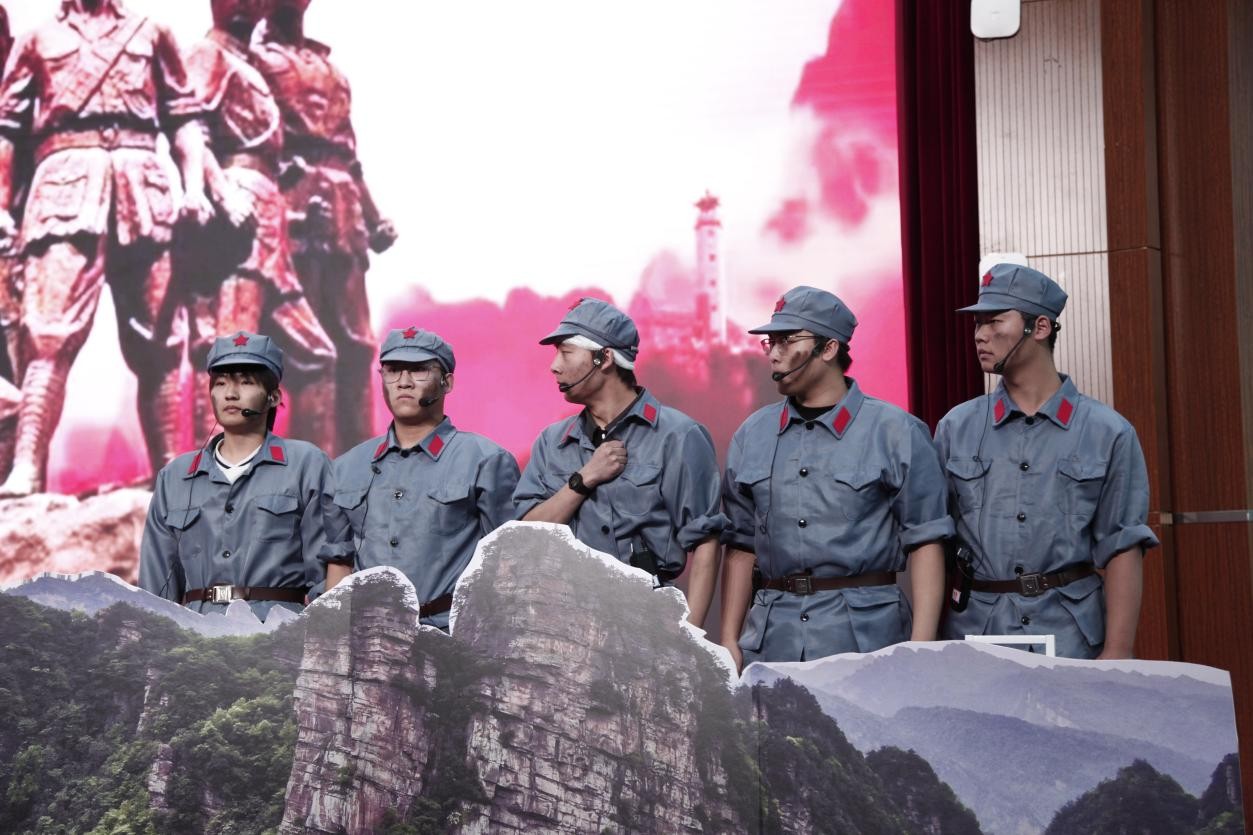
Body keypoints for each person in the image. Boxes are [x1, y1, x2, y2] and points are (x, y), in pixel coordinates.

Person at [0, 0, 213, 496]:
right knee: (48, 338)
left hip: (144, 186)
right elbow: (6, 131)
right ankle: (26, 467)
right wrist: (2, 204)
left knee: (160, 343)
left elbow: (184, 120)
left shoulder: (151, 34)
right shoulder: (37, 41)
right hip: (64, 187)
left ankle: (169, 468)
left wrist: (195, 187)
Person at [719, 286, 951, 671]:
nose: (773, 354)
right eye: (770, 342)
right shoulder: (752, 434)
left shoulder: (895, 431)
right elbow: (741, 543)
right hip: (774, 639)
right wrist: (729, 638)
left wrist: (922, 649)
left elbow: (926, 539)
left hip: (867, 641)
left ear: (828, 348)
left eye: (787, 340)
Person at [935, 263, 1158, 659]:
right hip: (977, 634)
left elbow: (1122, 545)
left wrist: (1118, 652)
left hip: (1072, 634)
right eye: (977, 324)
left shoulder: (1108, 432)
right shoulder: (957, 427)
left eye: (994, 321)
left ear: (1039, 327)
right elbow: (934, 543)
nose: (980, 335)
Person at [181, 0, 338, 452]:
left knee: (316, 354)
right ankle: (215, 473)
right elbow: (190, 133)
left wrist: (293, 217)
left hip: (269, 223)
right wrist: (221, 191)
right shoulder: (207, 54)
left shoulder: (250, 67)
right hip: (237, 219)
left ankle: (312, 474)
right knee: (233, 355)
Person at [514, 299, 726, 626]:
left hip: (648, 620)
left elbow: (705, 541)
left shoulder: (678, 436)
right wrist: (583, 480)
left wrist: (691, 638)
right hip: (563, 619)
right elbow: (526, 535)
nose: (554, 366)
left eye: (566, 352)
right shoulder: (551, 442)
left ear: (605, 358)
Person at [252, 0, 397, 454]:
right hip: (292, 206)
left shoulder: (330, 69)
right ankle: (309, 465)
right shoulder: (255, 62)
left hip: (344, 215)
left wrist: (374, 216)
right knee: (306, 347)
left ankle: (358, 463)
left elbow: (349, 156)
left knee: (357, 345)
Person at [139, 331, 353, 619]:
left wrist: (326, 634)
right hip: (196, 633)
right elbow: (156, 584)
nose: (231, 393)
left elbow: (333, 564)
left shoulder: (306, 464)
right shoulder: (175, 477)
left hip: (279, 631)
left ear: (274, 397)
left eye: (246, 382)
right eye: (221, 383)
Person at [333, 327, 519, 630]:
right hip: (367, 635)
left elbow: (509, 562)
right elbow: (338, 560)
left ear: (447, 382)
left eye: (419, 370)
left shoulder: (486, 460)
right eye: (393, 370)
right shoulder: (347, 466)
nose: (403, 382)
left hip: (451, 634)